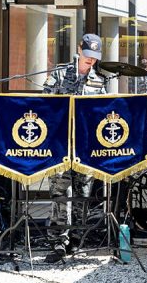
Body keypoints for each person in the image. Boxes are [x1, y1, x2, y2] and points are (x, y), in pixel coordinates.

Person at [42, 33, 107, 263]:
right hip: (60, 144)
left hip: (85, 145)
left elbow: (103, 112)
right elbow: (45, 104)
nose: (91, 61)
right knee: (61, 193)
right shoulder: (60, 74)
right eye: (88, 55)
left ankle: (77, 240)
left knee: (83, 193)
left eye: (95, 58)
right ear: (79, 49)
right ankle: (58, 242)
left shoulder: (99, 81)